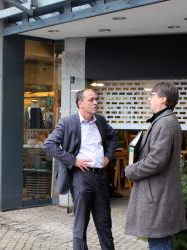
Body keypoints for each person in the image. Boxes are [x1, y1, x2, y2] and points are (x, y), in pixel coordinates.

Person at [43, 89, 117, 250]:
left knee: (105, 222)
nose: (96, 102)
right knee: (81, 224)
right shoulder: (68, 122)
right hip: (81, 177)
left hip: (101, 178)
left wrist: (108, 156)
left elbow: (113, 137)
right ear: (80, 103)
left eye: (96, 99)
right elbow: (49, 144)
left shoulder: (101, 121)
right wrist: (73, 160)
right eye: (91, 100)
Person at [124, 82, 187, 250]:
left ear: (163, 99)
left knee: (159, 240)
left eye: (152, 95)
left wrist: (131, 170)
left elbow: (156, 161)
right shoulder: (164, 120)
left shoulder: (165, 123)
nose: (148, 99)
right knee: (161, 239)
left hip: (158, 195)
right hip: (158, 193)